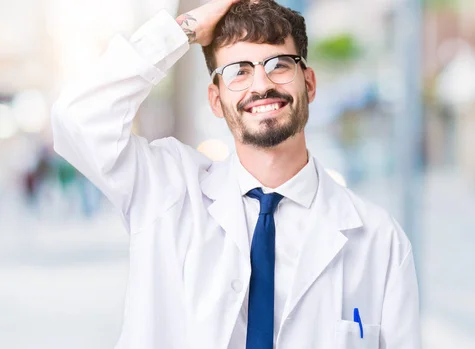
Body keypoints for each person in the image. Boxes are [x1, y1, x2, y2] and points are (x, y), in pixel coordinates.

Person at [51, 0, 421, 348]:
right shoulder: (166, 190)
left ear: (308, 83)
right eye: (238, 72)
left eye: (278, 64)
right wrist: (187, 28)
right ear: (216, 99)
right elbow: (77, 117)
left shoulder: (380, 239)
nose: (261, 85)